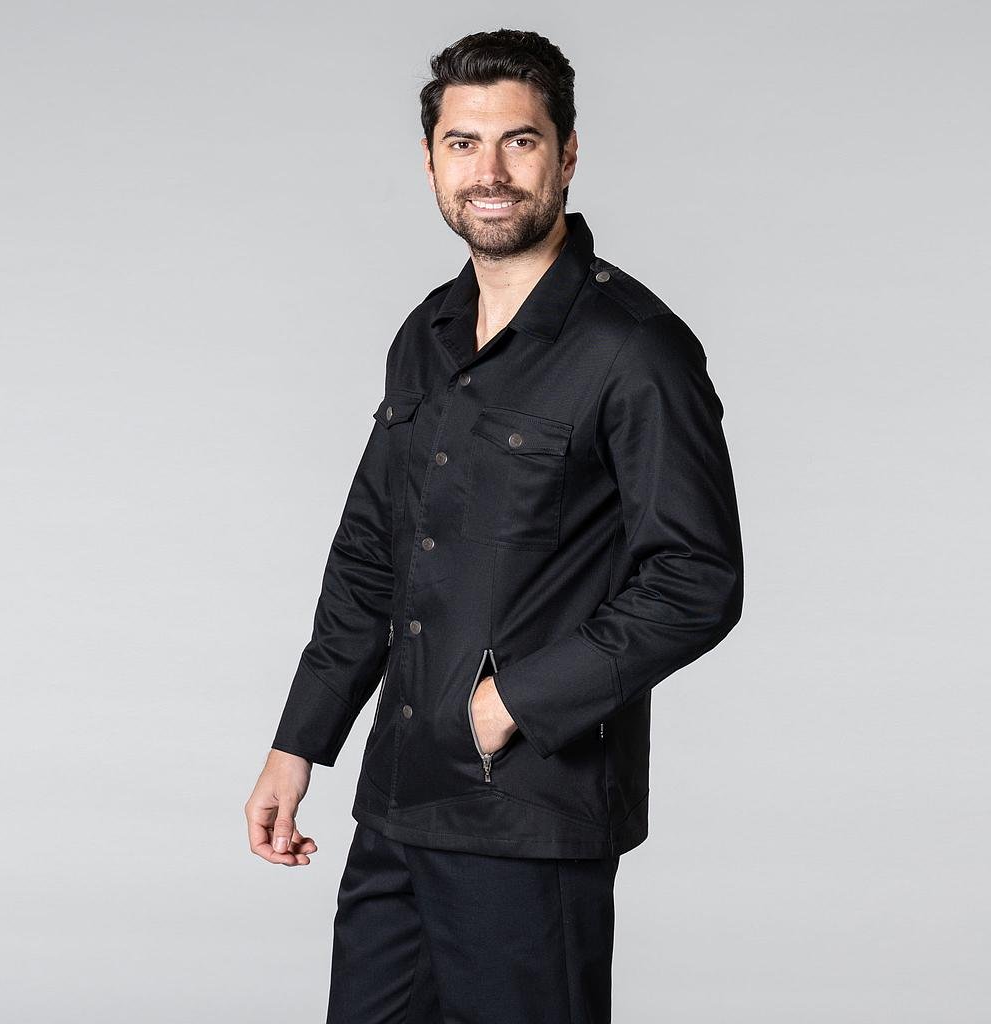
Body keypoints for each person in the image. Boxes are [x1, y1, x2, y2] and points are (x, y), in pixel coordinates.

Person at [245, 27, 744, 1023]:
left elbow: (697, 578)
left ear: (567, 154)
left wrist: (514, 701)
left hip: (528, 810)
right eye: (463, 143)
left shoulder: (634, 350)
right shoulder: (427, 332)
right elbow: (370, 553)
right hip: (399, 798)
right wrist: (299, 741)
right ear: (430, 161)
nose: (491, 172)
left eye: (520, 141)